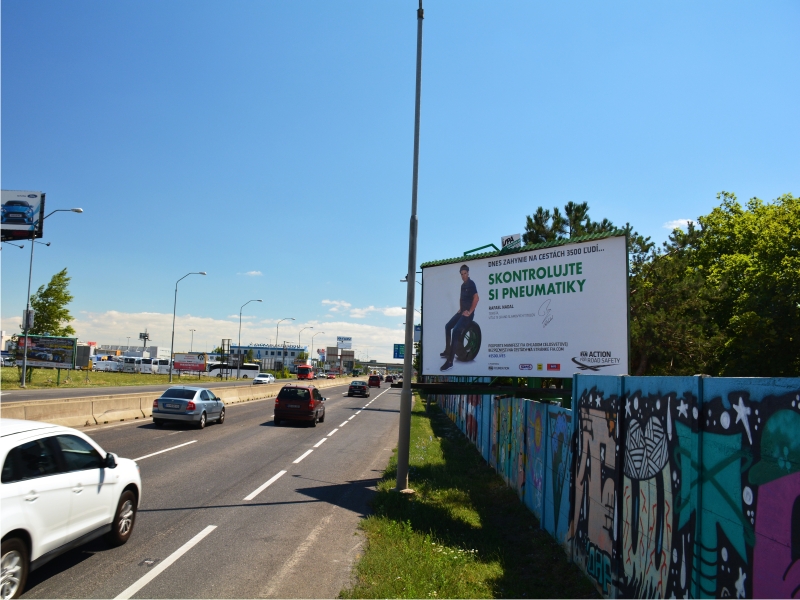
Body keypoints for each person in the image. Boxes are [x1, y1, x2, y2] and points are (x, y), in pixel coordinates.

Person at [440, 264, 479, 371]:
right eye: (462, 274)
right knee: (448, 326)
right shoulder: (463, 285)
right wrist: (460, 308)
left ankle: (450, 362)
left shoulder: (471, 284)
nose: (463, 276)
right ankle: (448, 350)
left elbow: (476, 298)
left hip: (468, 314)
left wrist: (470, 311)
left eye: (465, 273)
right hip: (462, 312)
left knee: (456, 330)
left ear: (468, 273)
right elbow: (461, 298)